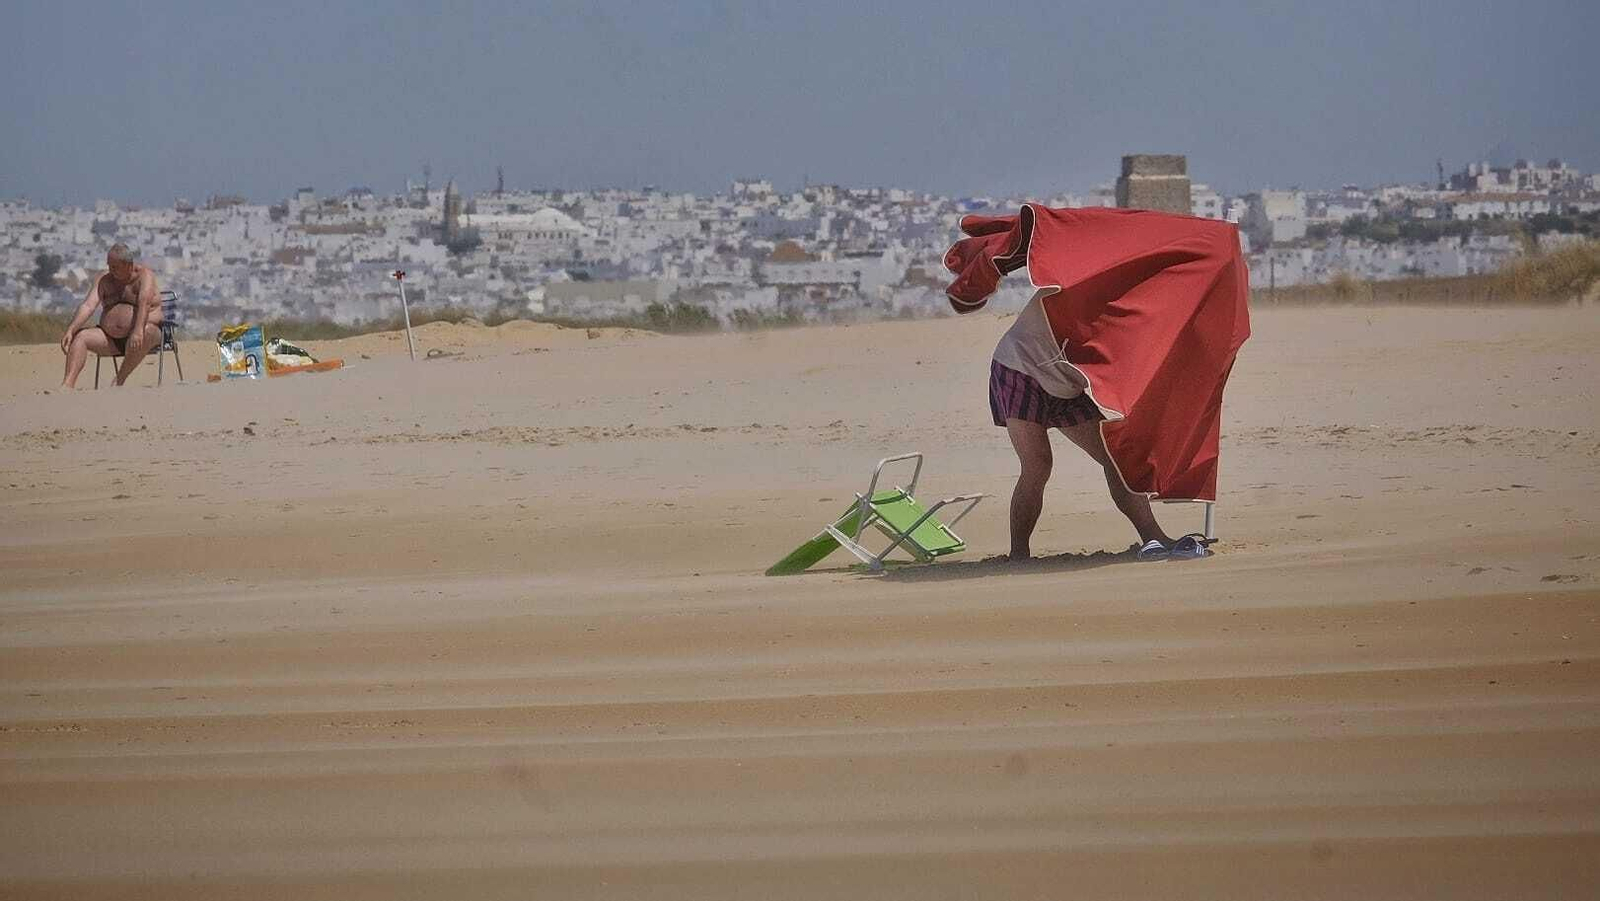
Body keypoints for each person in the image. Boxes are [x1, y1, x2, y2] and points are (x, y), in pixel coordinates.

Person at [990, 290, 1190, 561]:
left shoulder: (1125, 306)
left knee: (1115, 457)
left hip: (1065, 384)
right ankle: (1019, 553)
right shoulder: (1073, 282)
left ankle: (1153, 536)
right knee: (1037, 464)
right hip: (1021, 367)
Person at [59, 243, 164, 389]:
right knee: (81, 337)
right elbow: (88, 306)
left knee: (146, 331)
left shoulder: (144, 276)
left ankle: (118, 381)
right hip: (109, 338)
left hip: (145, 334)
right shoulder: (104, 279)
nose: (111, 270)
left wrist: (137, 331)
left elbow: (144, 304)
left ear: (128, 265)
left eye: (115, 267)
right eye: (109, 266)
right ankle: (67, 384)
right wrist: (71, 329)